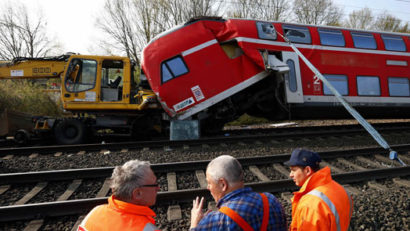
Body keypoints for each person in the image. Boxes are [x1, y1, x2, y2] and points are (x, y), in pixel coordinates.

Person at [190, 155, 287, 230]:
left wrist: (194, 225)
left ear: (223, 184)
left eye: (209, 183)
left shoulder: (216, 220)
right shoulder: (271, 201)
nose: (208, 187)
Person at [77, 160, 160, 231]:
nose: (158, 188)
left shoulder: (95, 212)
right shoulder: (147, 229)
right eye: (154, 184)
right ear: (137, 194)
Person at [284, 148, 353, 231]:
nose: (290, 175)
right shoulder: (341, 189)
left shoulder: (310, 204)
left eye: (293, 170)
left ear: (307, 170)